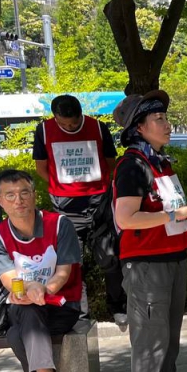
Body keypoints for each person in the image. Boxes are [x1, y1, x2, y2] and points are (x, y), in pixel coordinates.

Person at [112, 90, 187, 372]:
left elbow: (166, 209)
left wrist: (185, 214)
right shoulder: (132, 165)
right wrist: (175, 214)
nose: (167, 124)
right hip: (146, 263)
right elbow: (126, 218)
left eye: (166, 118)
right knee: (151, 336)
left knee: (168, 332)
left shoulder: (160, 162)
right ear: (138, 128)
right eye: (159, 119)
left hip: (171, 256)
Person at [0, 169, 79, 372]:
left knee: (16, 335)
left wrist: (44, 289)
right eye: (10, 195)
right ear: (0, 201)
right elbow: (9, 278)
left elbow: (63, 273)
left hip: (62, 306)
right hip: (24, 306)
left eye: (24, 192)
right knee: (26, 310)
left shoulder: (59, 225)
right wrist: (29, 288)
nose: (19, 200)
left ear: (34, 195)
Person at [32, 94, 126, 323]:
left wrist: (99, 188)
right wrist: (59, 187)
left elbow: (110, 162)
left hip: (98, 203)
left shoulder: (98, 127)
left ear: (81, 114)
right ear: (55, 117)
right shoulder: (44, 130)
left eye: (73, 123)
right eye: (64, 124)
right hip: (64, 205)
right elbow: (41, 167)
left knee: (110, 256)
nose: (70, 128)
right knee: (73, 262)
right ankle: (80, 313)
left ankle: (118, 307)